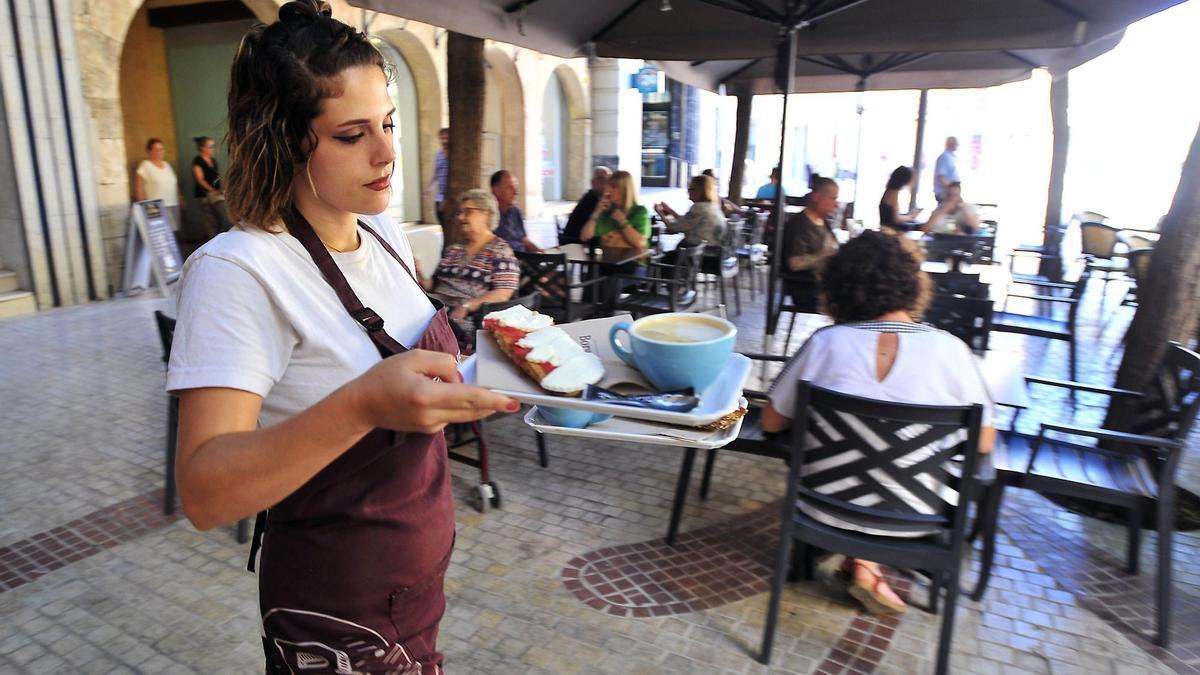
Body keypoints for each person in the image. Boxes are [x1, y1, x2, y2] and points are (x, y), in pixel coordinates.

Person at [166, 3, 518, 672]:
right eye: (353, 134)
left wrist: (491, 375)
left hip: (415, 585)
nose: (388, 151)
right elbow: (205, 494)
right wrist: (363, 404)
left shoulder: (380, 230)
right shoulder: (238, 270)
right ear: (282, 139)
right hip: (337, 617)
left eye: (387, 123)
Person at [762, 231, 996, 615]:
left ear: (840, 287)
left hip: (825, 510)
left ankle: (860, 563)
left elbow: (771, 422)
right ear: (912, 283)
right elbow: (983, 444)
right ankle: (868, 567)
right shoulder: (952, 351)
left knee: (849, 465)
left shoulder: (826, 344)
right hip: (918, 518)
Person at [417, 189, 518, 348]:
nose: (461, 217)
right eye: (459, 213)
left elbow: (503, 292)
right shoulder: (454, 250)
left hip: (464, 320)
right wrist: (420, 271)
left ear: (487, 214)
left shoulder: (500, 250)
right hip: (432, 310)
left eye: (467, 212)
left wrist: (467, 305)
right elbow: (434, 285)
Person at [781, 177, 839, 312]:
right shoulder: (798, 225)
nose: (835, 204)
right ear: (817, 197)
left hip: (828, 284)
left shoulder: (823, 221)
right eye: (833, 198)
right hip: (808, 288)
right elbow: (794, 263)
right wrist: (825, 255)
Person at [579, 169, 651, 263]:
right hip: (607, 265)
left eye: (613, 187)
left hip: (633, 267)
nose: (608, 190)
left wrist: (622, 222)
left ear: (625, 190)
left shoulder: (639, 212)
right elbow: (585, 237)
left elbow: (640, 244)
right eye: (607, 186)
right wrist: (597, 212)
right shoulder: (607, 212)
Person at [654, 174, 726, 248]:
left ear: (698, 191)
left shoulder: (699, 208)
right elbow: (686, 221)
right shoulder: (713, 206)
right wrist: (670, 210)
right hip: (713, 248)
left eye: (690, 189)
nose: (688, 192)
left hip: (697, 253)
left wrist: (659, 212)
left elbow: (675, 227)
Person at [134, 138, 182, 231]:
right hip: (155, 207)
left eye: (161, 149)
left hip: (172, 203)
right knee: (159, 232)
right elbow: (139, 187)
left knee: (172, 232)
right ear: (149, 151)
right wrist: (142, 205)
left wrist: (180, 197)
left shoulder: (167, 164)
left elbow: (173, 182)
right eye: (156, 149)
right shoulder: (145, 165)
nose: (159, 152)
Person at [192, 136, 233, 239]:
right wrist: (212, 190)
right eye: (210, 146)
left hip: (216, 195)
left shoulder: (213, 161)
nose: (213, 148)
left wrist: (223, 187)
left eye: (213, 146)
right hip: (204, 196)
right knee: (210, 222)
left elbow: (216, 177)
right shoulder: (197, 161)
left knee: (220, 219)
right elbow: (200, 179)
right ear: (202, 148)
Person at [490, 170, 539, 252]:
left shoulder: (516, 211)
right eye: (510, 187)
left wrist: (540, 253)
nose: (516, 192)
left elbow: (524, 240)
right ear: (496, 190)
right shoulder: (488, 215)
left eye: (515, 187)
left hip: (523, 258)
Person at [561, 165, 611, 244]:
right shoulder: (591, 199)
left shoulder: (596, 197)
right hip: (577, 243)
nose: (606, 182)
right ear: (593, 182)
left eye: (608, 178)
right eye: (601, 179)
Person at [878, 166, 924, 233]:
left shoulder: (890, 191)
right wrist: (911, 216)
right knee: (922, 226)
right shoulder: (893, 193)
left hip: (887, 227)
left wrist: (908, 215)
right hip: (890, 231)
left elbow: (891, 215)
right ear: (905, 180)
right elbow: (896, 219)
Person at [422, 127, 449, 226]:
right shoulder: (438, 155)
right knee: (441, 220)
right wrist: (428, 189)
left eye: (446, 138)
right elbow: (436, 174)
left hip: (451, 196)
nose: (444, 141)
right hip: (440, 196)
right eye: (442, 138)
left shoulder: (455, 154)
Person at [933, 136, 959, 202]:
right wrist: (951, 190)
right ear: (949, 144)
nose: (957, 145)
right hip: (945, 192)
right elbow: (941, 177)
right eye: (955, 143)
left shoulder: (951, 157)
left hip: (951, 191)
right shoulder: (945, 157)